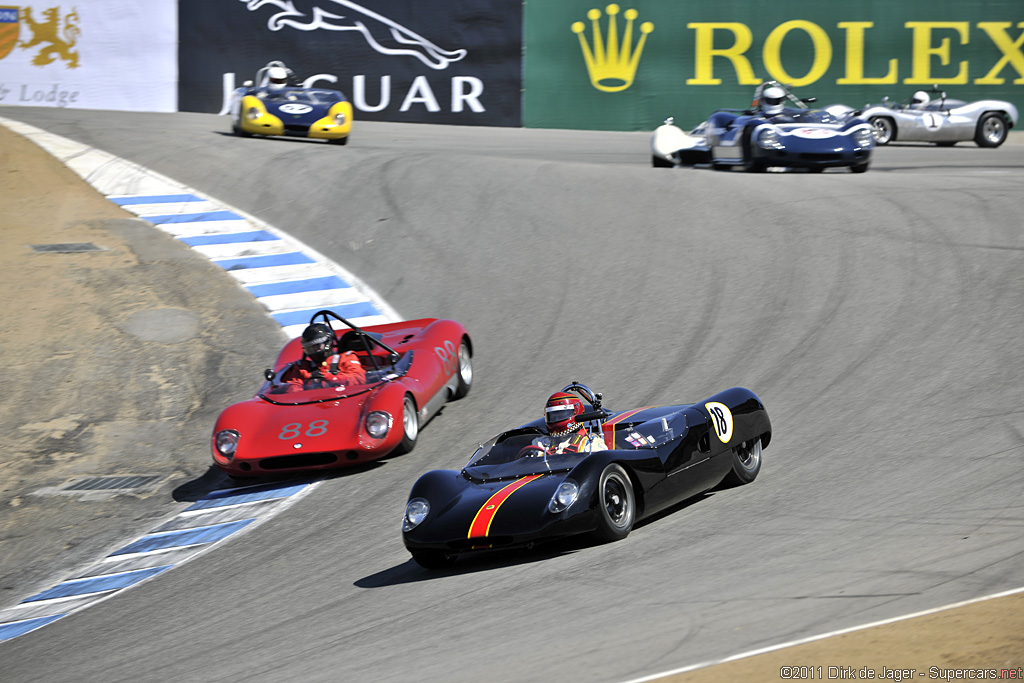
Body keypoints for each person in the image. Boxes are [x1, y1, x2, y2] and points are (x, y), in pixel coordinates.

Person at [280, 323, 365, 393]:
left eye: (317, 346)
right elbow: (293, 386)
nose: (314, 351)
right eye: (310, 348)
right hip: (312, 404)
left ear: (328, 343)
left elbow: (359, 378)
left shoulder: (346, 358)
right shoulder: (302, 368)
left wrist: (334, 378)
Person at [532, 391, 607, 455]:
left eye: (561, 415)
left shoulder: (591, 443)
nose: (557, 419)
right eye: (553, 417)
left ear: (575, 413)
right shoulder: (541, 443)